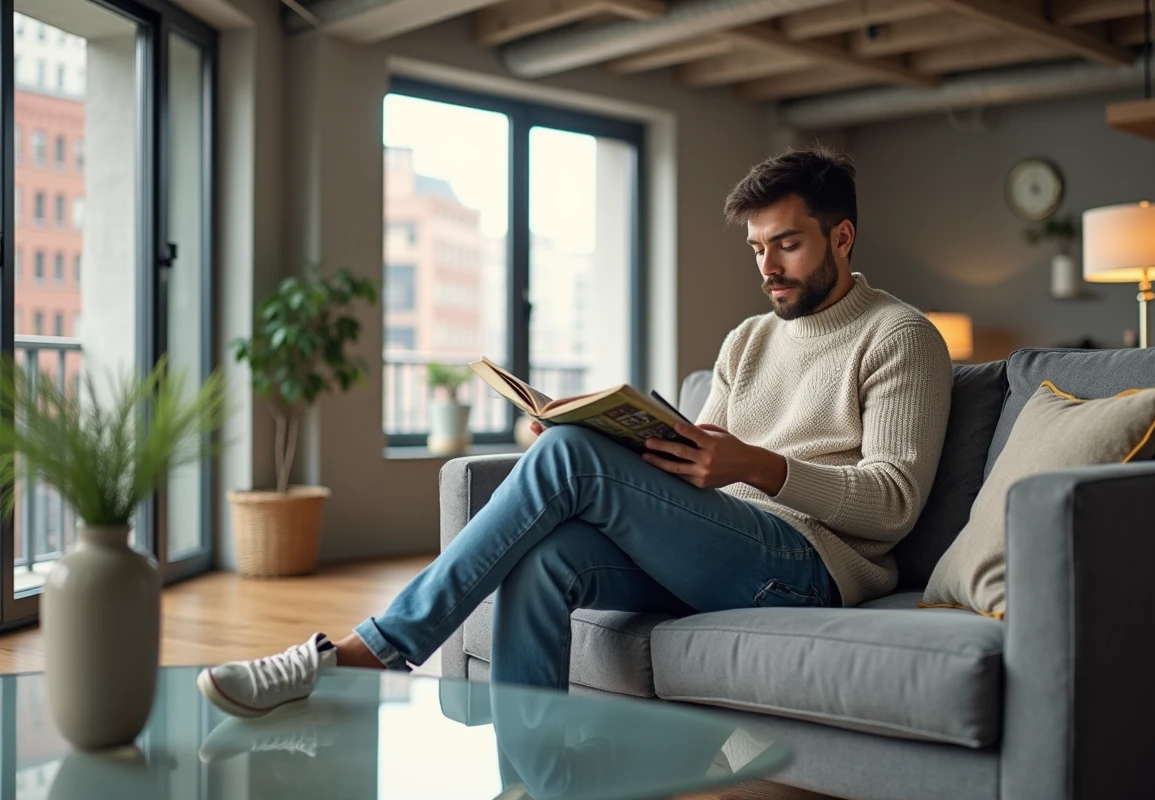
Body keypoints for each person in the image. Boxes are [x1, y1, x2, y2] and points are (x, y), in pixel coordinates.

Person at [197, 146, 954, 719]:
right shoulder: (748, 340)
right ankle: (532, 777)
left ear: (843, 237)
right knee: (548, 556)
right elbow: (705, 455)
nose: (768, 267)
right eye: (757, 249)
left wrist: (753, 464)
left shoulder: (899, 336)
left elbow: (891, 506)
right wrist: (632, 441)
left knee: (566, 459)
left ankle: (375, 648)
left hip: (809, 568)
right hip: (723, 543)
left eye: (786, 244)